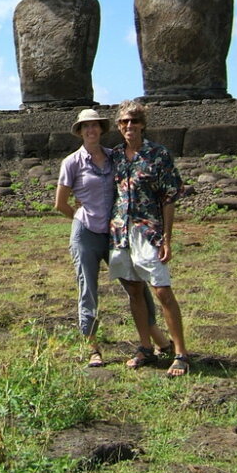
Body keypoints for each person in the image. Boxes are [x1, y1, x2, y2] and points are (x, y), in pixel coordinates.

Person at [55, 108, 172, 368]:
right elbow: (60, 203)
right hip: (86, 233)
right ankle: (92, 347)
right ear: (80, 132)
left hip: (115, 233)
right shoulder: (72, 162)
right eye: (86, 127)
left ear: (102, 129)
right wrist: (81, 215)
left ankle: (160, 341)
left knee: (135, 285)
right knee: (88, 289)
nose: (91, 130)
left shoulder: (113, 156)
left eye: (95, 126)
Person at [109, 100, 190, 376]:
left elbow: (169, 197)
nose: (128, 126)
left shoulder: (158, 154)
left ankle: (180, 353)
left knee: (162, 290)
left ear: (142, 123)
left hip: (149, 231)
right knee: (133, 290)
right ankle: (145, 346)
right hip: (122, 231)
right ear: (118, 126)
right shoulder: (116, 156)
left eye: (133, 121)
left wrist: (167, 238)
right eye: (123, 122)